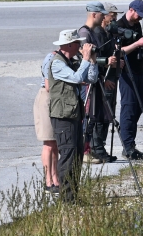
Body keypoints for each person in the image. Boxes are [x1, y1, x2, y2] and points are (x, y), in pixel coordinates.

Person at [49, 29, 99, 202]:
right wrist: (85, 59)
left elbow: (90, 79)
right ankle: (66, 199)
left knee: (77, 156)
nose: (80, 46)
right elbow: (78, 78)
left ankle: (73, 196)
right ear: (69, 44)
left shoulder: (71, 62)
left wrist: (91, 61)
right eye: (77, 43)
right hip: (62, 117)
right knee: (68, 156)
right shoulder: (57, 63)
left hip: (74, 115)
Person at [117, 0, 143, 160]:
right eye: (138, 15)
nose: (140, 18)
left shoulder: (136, 25)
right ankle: (128, 146)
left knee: (138, 107)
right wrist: (136, 43)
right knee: (128, 107)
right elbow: (119, 52)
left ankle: (130, 144)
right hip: (127, 72)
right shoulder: (119, 26)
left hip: (139, 70)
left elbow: (140, 48)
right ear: (131, 10)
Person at [78, 1, 119, 163]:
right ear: (94, 14)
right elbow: (85, 58)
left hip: (95, 79)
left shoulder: (93, 32)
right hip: (87, 82)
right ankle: (85, 150)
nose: (104, 16)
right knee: (87, 116)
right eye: (101, 13)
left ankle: (90, 149)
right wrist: (106, 62)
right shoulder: (84, 33)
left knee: (94, 115)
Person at [33, 52, 60, 194]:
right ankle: (48, 180)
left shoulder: (68, 58)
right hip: (47, 98)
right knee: (48, 143)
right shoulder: (52, 58)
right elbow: (49, 85)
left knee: (55, 143)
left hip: (56, 100)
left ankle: (55, 177)